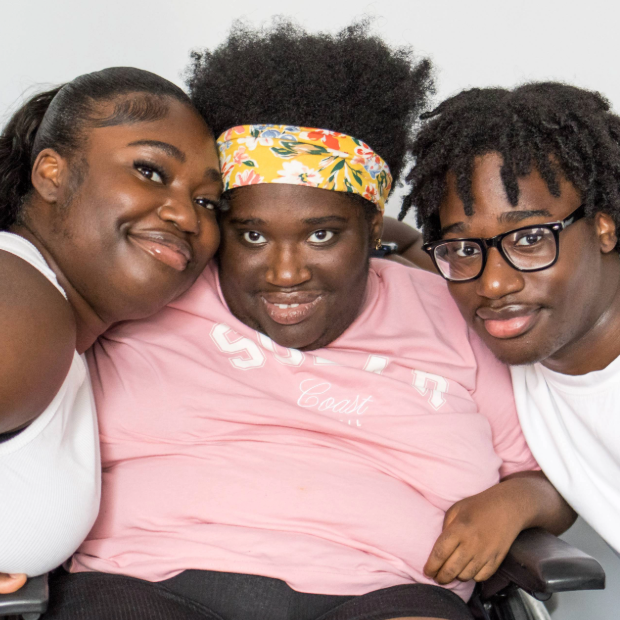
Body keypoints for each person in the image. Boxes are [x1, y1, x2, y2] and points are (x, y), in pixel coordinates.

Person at [44, 24, 574, 620]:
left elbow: (556, 475)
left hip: (386, 592)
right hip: (141, 580)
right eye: (252, 235)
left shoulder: (452, 312)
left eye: (322, 234)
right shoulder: (152, 292)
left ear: (374, 229)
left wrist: (519, 500)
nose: (286, 272)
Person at [0, 67, 222, 594]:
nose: (186, 216)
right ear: (51, 173)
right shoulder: (25, 311)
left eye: (209, 202)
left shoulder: (47, 317)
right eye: (150, 171)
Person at [402, 82, 620, 556]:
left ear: (605, 226)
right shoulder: (520, 337)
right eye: (463, 248)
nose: (494, 284)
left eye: (528, 239)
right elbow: (403, 247)